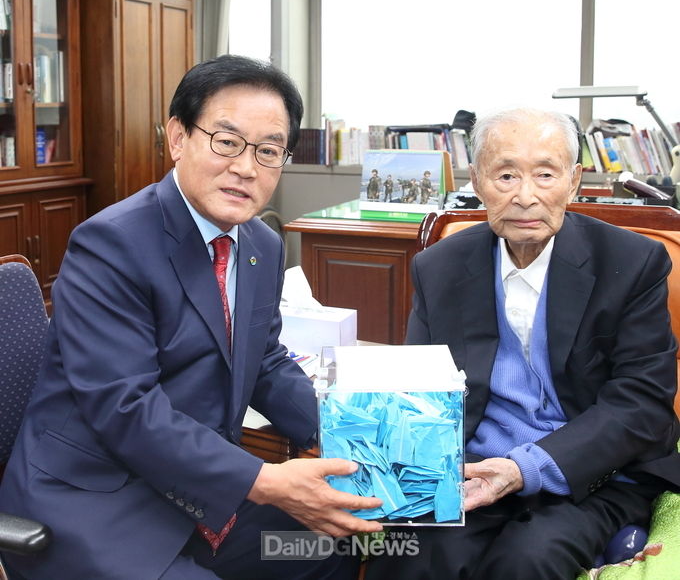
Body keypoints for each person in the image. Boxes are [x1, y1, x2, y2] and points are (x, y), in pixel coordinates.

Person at [0, 54, 382, 580]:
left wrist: (359, 435)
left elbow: (264, 361)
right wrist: (264, 480)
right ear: (178, 138)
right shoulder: (110, 244)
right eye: (227, 142)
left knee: (337, 543)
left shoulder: (262, 245)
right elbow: (126, 408)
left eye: (269, 151)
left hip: (201, 493)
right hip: (99, 500)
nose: (246, 167)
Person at [366, 108, 680, 579]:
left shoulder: (632, 262)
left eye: (545, 175)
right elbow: (421, 391)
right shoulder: (440, 266)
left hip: (596, 470)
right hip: (476, 467)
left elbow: (643, 403)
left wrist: (523, 469)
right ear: (477, 181)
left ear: (573, 181)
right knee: (414, 551)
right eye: (506, 175)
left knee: (527, 559)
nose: (525, 196)